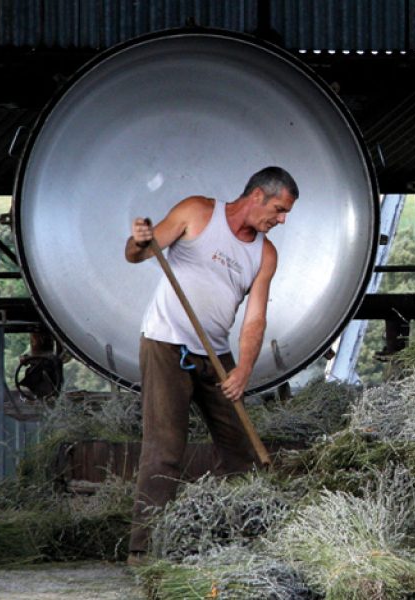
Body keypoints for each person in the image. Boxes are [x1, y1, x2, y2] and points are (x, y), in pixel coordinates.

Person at [122, 166, 297, 566]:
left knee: (243, 450)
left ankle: (252, 540)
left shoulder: (264, 253)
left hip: (215, 354)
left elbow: (254, 319)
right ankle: (143, 551)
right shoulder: (197, 212)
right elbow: (139, 255)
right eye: (279, 209)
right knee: (165, 449)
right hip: (166, 343)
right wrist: (138, 241)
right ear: (257, 196)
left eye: (286, 213)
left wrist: (243, 370)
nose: (281, 220)